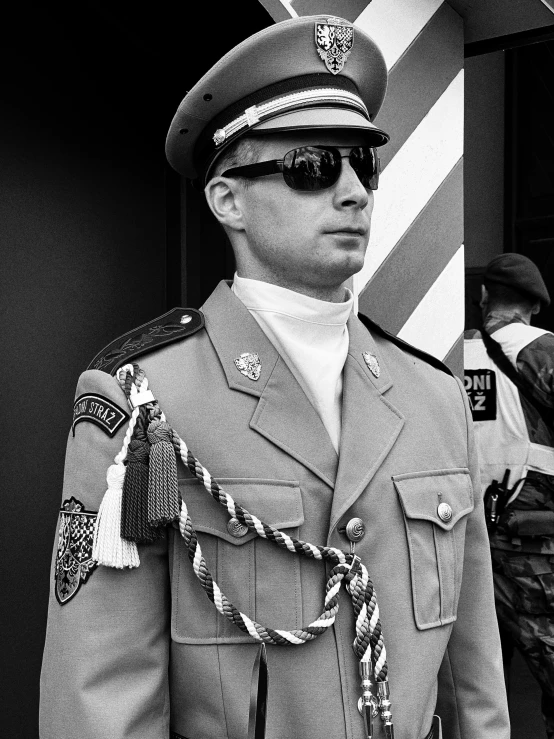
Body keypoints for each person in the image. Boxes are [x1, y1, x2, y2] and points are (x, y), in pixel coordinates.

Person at [40, 15, 509, 739]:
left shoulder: (435, 398)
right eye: (313, 167)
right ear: (228, 199)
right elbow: (101, 701)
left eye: (362, 164)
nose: (353, 191)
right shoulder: (145, 402)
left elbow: (476, 687)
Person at [464, 252, 554, 739]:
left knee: (474, 687)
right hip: (536, 552)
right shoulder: (543, 350)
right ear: (535, 307)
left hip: (465, 543)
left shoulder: (452, 355)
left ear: (483, 298)